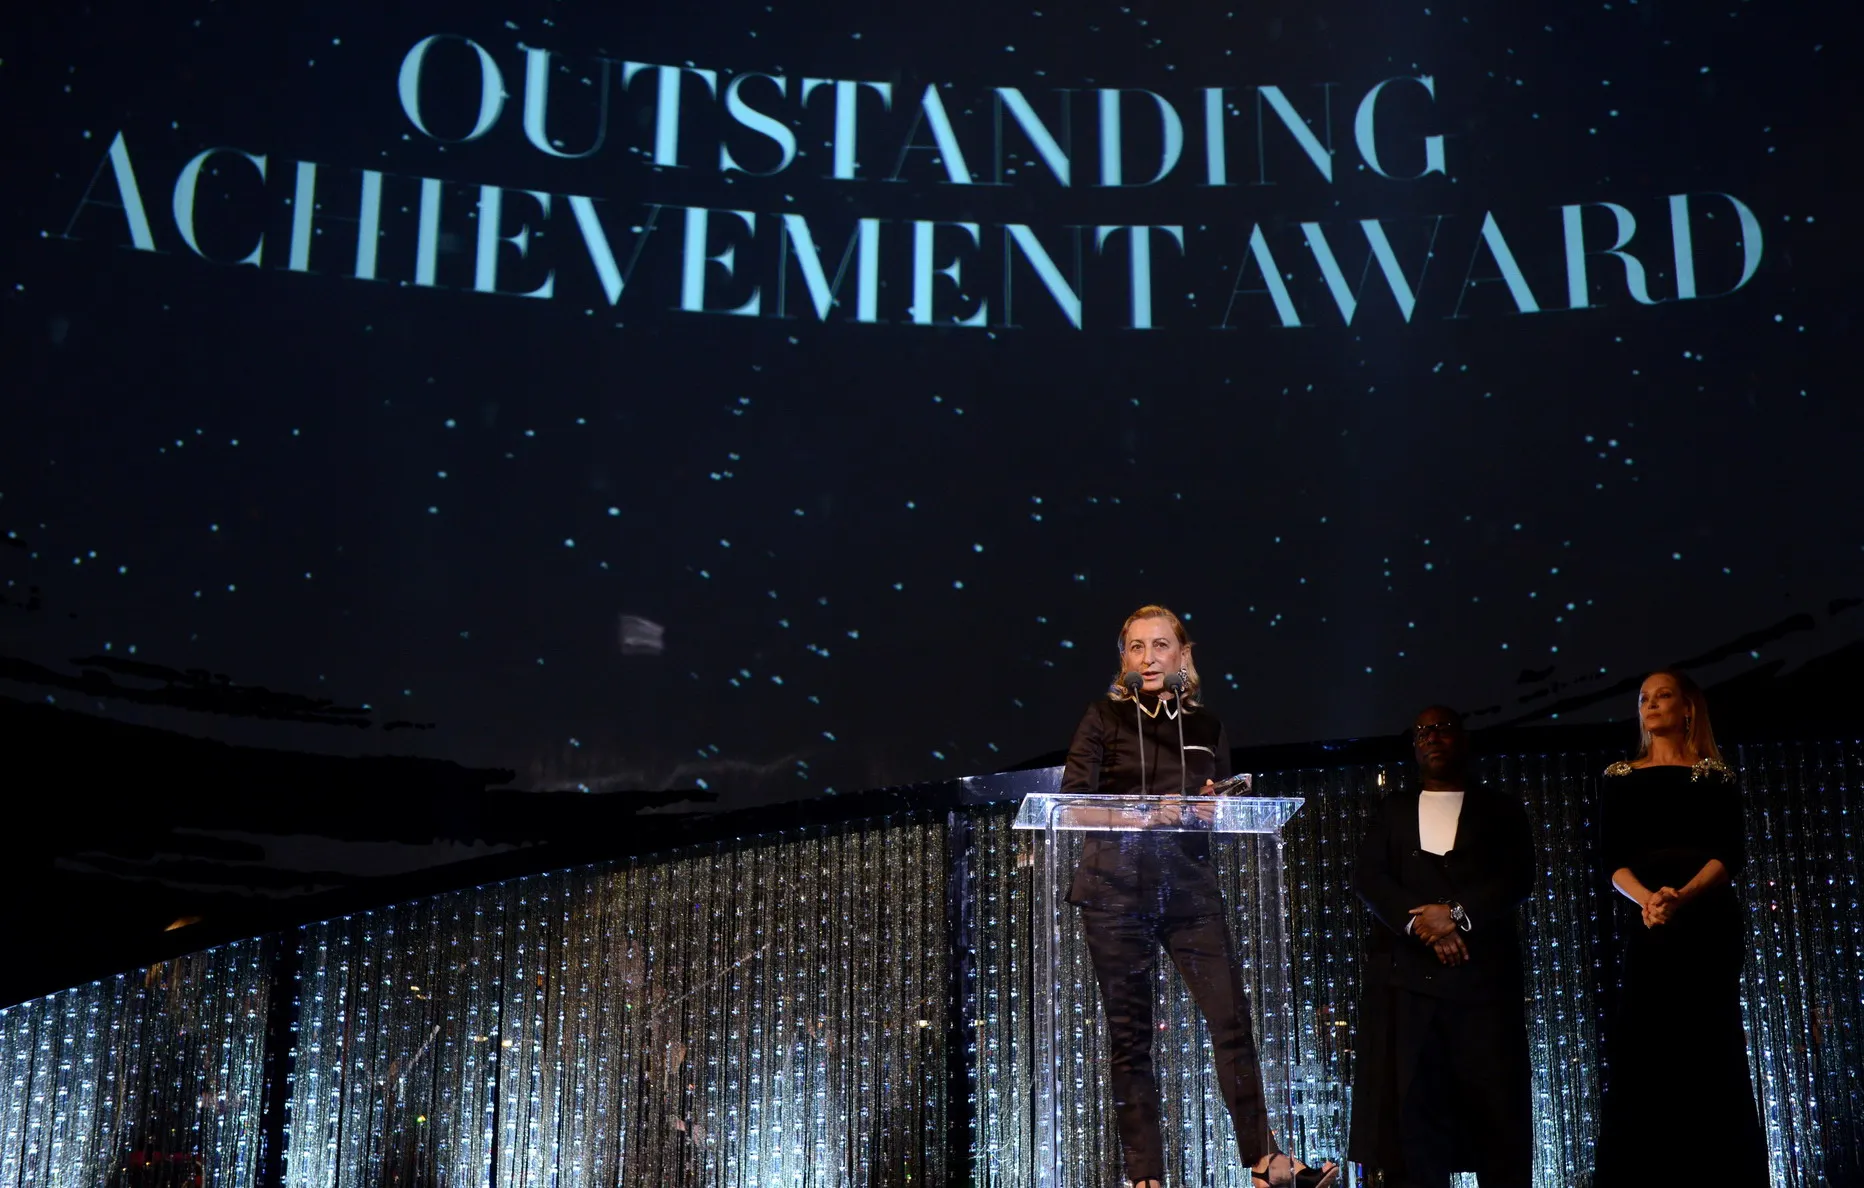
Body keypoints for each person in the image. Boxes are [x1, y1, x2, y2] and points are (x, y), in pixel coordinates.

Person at [1062, 604, 1337, 1188]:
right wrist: (1145, 815)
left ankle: (1264, 1161)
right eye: (1136, 647)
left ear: (1183, 655)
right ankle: (1146, 1176)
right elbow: (1072, 806)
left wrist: (1215, 808)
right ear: (1124, 658)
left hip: (1188, 890)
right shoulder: (1103, 716)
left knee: (1232, 1020)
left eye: (1160, 645)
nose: (1148, 658)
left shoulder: (1206, 725)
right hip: (1114, 892)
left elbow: (1216, 810)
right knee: (1131, 1037)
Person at [1592, 670, 1768, 1183]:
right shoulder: (1619, 777)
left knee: (1710, 1043)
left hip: (1707, 923)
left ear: (1687, 707)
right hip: (1650, 925)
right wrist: (1649, 902)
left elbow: (1730, 853)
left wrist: (1683, 896)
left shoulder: (1715, 776)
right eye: (1643, 698)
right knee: (1647, 1048)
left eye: (1662, 695)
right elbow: (1611, 860)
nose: (1650, 704)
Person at [1347, 705, 1534, 1187]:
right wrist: (1424, 927)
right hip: (1408, 986)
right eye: (1422, 732)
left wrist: (1455, 915)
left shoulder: (1501, 809)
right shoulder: (1391, 810)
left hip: (1484, 984)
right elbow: (1370, 878)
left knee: (1496, 1114)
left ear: (1463, 739)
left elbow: (1516, 878)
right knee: (1414, 1118)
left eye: (1442, 729)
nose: (1431, 737)